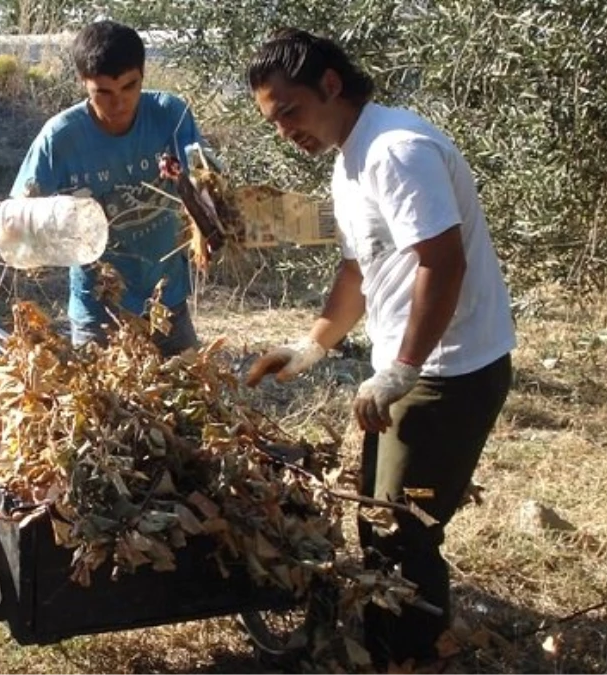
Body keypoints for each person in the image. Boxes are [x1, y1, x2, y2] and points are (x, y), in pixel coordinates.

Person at [241, 27, 516, 670]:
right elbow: (358, 272)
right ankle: (389, 648)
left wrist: (401, 371)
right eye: (273, 120)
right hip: (413, 369)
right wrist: (310, 347)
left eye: (290, 110)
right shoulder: (350, 157)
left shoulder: (396, 150)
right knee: (379, 517)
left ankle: (411, 658)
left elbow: (441, 265)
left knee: (400, 532)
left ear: (330, 85)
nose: (285, 130)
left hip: (449, 372)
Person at [10, 19, 204, 356]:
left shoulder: (170, 114)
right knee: (105, 408)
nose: (119, 103)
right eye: (103, 92)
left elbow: (204, 183)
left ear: (143, 76)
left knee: (195, 403)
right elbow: (18, 218)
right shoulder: (59, 138)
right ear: (83, 83)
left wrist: (210, 223)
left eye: (130, 87)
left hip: (168, 301)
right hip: (98, 314)